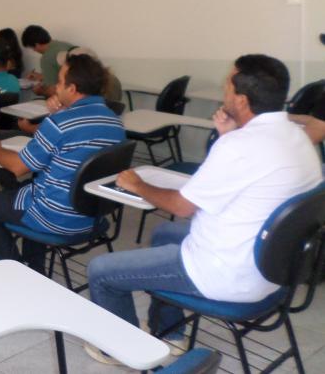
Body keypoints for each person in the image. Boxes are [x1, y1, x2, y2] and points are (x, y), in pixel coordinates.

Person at [85, 54, 322, 365]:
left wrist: (138, 185)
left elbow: (181, 206)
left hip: (225, 274)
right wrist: (229, 136)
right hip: (275, 270)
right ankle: (169, 334)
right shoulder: (299, 138)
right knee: (163, 233)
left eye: (227, 85)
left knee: (101, 271)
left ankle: (123, 350)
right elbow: (247, 179)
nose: (224, 90)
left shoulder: (239, 147)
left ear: (241, 99)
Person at [0, 54, 125, 274]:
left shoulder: (60, 123)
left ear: (72, 89)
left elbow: (18, 167)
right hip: (92, 215)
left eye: (60, 82)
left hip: (57, 217)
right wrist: (60, 113)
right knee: (29, 191)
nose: (56, 87)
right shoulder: (114, 121)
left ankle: (13, 275)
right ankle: (35, 270)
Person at [20, 25, 75, 97]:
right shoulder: (65, 45)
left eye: (32, 48)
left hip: (68, 97)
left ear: (37, 45)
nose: (34, 51)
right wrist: (42, 76)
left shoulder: (47, 57)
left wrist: (40, 91)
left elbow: (52, 91)